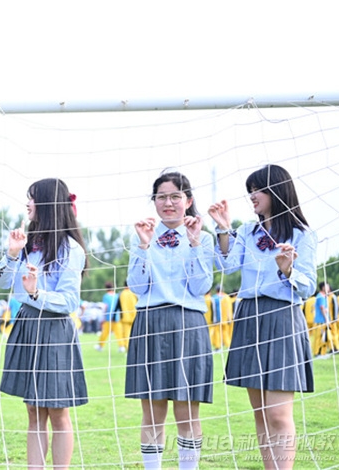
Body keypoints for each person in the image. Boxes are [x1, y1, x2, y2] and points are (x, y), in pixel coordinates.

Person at [209, 164, 317, 469]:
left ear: (277, 191)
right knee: (260, 414)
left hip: (282, 318)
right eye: (250, 191)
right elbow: (228, 266)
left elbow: (308, 287)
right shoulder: (247, 231)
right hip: (249, 317)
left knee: (278, 414)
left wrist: (288, 269)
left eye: (258, 190)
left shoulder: (302, 235)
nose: (252, 196)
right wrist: (223, 228)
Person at [0, 178, 88, 469]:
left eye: (32, 198)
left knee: (58, 412)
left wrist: (36, 293)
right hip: (27, 325)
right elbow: (0, 282)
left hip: (55, 329)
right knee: (33, 410)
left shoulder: (71, 249)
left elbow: (70, 301)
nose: (27, 203)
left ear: (47, 203)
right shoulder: (27, 244)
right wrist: (11, 253)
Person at [126, 170, 214, 470]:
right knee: (152, 412)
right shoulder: (141, 235)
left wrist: (195, 243)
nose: (168, 203)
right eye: (161, 197)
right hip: (149, 323)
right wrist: (143, 246)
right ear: (154, 201)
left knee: (188, 413)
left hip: (189, 324)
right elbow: (137, 287)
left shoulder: (204, 238)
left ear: (188, 200)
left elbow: (201, 287)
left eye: (175, 196)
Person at [95, 281, 120, 351]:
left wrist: (103, 316)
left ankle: (100, 346)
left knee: (105, 332)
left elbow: (105, 306)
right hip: (116, 316)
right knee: (119, 333)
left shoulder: (106, 296)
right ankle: (122, 346)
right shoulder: (116, 296)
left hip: (108, 317)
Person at [313, 282, 332, 356]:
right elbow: (322, 308)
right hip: (320, 320)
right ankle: (317, 353)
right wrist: (327, 319)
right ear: (323, 287)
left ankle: (322, 353)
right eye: (327, 286)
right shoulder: (321, 297)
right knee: (319, 337)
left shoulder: (324, 296)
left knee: (324, 337)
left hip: (322, 320)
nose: (328, 288)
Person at [118, 284, 137, 351]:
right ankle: (135, 348)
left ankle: (128, 348)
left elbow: (119, 305)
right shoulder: (134, 293)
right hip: (134, 316)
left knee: (126, 334)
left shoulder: (122, 294)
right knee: (135, 333)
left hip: (125, 316)